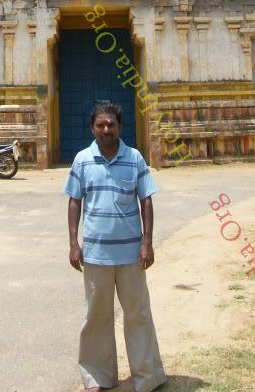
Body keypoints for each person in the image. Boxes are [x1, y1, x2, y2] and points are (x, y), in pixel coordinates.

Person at [63, 100, 166, 392]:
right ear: (92, 128)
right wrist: (73, 243)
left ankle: (147, 377)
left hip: (132, 254)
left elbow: (146, 200)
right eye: (101, 125)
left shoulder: (134, 158)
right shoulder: (82, 160)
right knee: (96, 317)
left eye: (111, 124)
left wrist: (147, 243)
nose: (106, 129)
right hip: (96, 254)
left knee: (138, 315)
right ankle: (97, 377)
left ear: (120, 127)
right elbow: (74, 201)